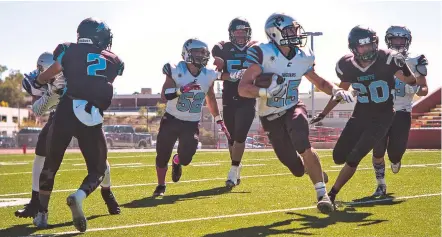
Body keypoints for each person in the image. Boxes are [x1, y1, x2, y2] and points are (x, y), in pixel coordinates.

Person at [238, 12, 354, 214]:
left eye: (295, 29)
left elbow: (318, 81)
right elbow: (243, 88)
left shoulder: (303, 55)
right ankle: (313, 170)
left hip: (293, 106)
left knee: (302, 141)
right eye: (289, 30)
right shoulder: (261, 52)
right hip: (270, 116)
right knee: (296, 168)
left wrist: (336, 90)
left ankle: (322, 195)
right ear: (274, 32)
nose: (295, 33)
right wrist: (265, 91)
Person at [29, 17, 124, 232]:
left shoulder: (67, 49)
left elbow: (48, 75)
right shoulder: (113, 60)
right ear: (98, 36)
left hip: (65, 111)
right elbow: (101, 83)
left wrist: (39, 81)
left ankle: (42, 215)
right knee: (98, 169)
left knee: (51, 165)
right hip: (91, 115)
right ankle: (79, 196)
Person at [16, 52, 120, 219]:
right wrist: (53, 93)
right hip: (60, 117)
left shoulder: (75, 74)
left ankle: (107, 193)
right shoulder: (47, 78)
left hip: (83, 114)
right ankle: (36, 203)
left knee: (100, 159)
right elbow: (37, 109)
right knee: (41, 154)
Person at [325, 25, 420, 207]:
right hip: (360, 115)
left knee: (357, 156)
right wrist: (322, 114)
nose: (367, 49)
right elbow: (339, 92)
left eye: (370, 45)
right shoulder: (346, 65)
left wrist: (404, 67)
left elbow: (412, 80)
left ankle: (331, 194)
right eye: (362, 46)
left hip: (383, 116)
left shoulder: (387, 59)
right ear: (353, 47)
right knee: (338, 157)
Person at [153, 38, 230, 197]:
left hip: (191, 122)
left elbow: (211, 97)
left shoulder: (207, 75)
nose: (202, 55)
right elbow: (164, 96)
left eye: (204, 52)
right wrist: (182, 90)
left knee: (186, 158)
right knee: (162, 154)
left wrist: (218, 119)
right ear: (187, 53)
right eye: (198, 52)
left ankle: (177, 161)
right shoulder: (175, 69)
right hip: (172, 119)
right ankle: (161, 185)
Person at [370, 26, 429, 196]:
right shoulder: (378, 59)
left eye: (401, 39)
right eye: (394, 39)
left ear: (407, 41)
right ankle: (380, 184)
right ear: (388, 40)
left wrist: (416, 88)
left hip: (402, 111)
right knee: (378, 149)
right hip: (380, 111)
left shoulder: (416, 60)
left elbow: (424, 88)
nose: (398, 43)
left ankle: (396, 159)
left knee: (395, 153)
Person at [211, 17, 257, 188]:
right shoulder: (223, 48)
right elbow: (215, 73)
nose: (240, 35)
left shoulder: (256, 48)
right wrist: (230, 75)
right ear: (231, 33)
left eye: (242, 31)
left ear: (248, 32)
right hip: (229, 97)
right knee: (231, 138)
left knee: (240, 136)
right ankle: (236, 166)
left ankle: (232, 170)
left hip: (247, 97)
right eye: (236, 32)